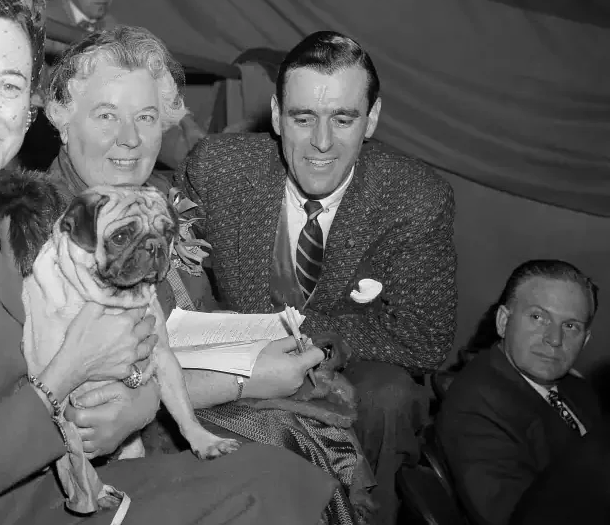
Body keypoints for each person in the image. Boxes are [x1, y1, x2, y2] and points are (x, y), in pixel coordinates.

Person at [0, 0, 337, 525]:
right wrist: (76, 370)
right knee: (277, 483)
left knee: (287, 478)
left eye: (7, 85)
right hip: (12, 501)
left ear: (30, 102)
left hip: (64, 470)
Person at [42, 24, 375, 524]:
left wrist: (261, 346)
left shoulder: (159, 197)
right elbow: (90, 400)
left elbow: (193, 317)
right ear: (62, 118)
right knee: (289, 448)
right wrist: (240, 379)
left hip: (187, 411)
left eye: (146, 117)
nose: (129, 139)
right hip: (124, 456)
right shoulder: (46, 231)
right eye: (106, 115)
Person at [176, 30, 458, 524]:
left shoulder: (415, 197)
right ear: (276, 115)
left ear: (371, 118)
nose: (321, 143)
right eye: (303, 118)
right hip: (237, 361)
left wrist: (315, 340)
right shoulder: (218, 169)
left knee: (390, 397)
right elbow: (178, 284)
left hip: (353, 369)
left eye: (343, 119)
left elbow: (425, 338)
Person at [436, 260, 610, 525]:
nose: (554, 339)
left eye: (570, 326)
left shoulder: (576, 387)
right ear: (503, 321)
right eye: (538, 317)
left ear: (585, 340)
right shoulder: (478, 405)